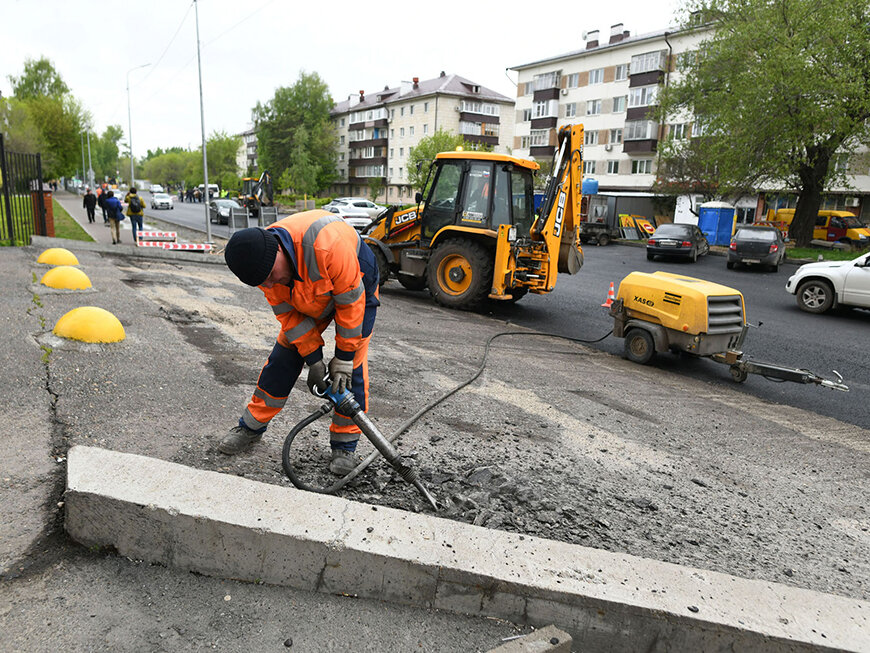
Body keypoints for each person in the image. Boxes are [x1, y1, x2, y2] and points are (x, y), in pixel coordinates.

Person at [219, 212, 380, 475]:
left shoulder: (329, 245)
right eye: (262, 282)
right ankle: (250, 427)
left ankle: (344, 445)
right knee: (283, 357)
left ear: (278, 250)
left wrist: (344, 357)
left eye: (271, 275)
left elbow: (350, 306)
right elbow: (290, 318)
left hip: (355, 284)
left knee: (351, 371)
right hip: (306, 293)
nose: (269, 284)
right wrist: (314, 359)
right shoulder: (261, 266)